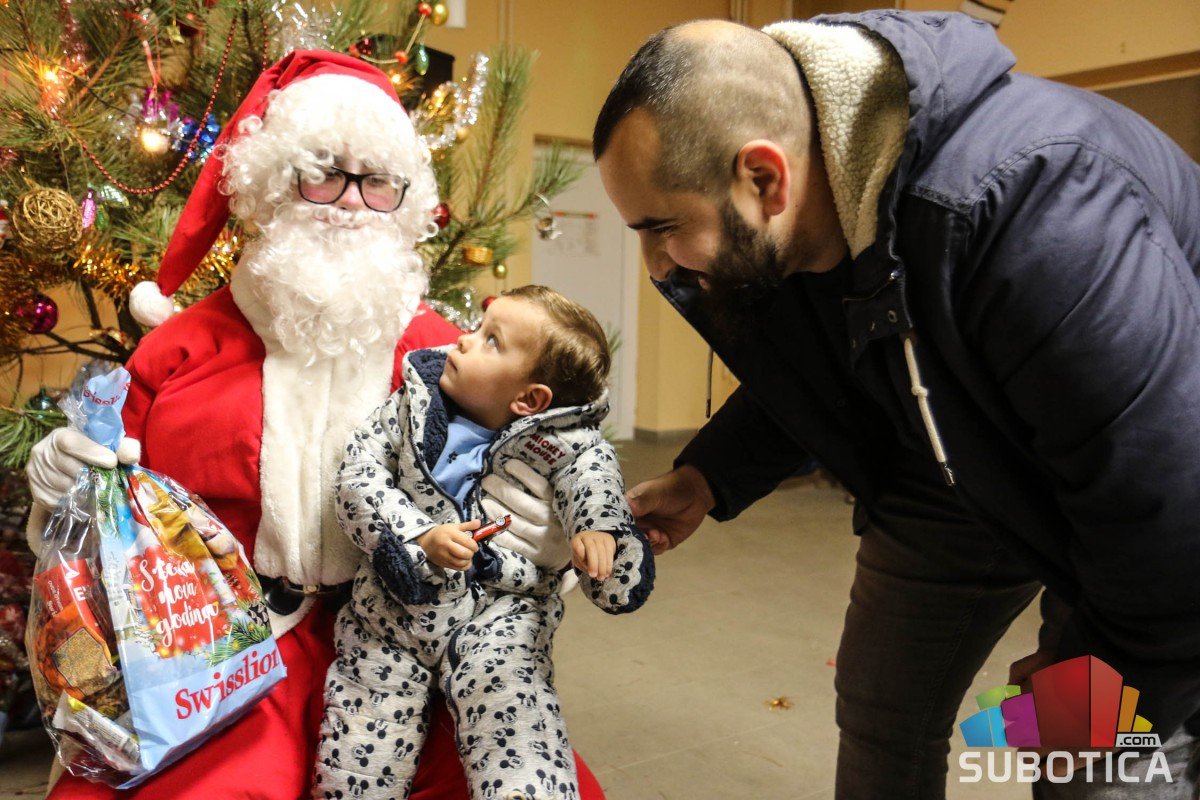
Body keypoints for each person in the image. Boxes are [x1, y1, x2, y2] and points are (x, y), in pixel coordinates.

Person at [593, 12, 1200, 799]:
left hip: (1154, 517)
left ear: (764, 178)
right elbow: (825, 374)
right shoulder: (803, 218)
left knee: (1092, 764)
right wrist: (708, 475)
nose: (655, 264)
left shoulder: (1041, 206)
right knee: (882, 711)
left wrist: (1098, 671)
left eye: (663, 227)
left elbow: (1168, 510)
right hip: (949, 459)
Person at [24, 51, 605, 799]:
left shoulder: (447, 356)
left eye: (378, 182)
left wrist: (547, 537)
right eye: (323, 173)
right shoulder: (180, 349)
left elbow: (539, 465)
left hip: (407, 647)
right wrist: (64, 490)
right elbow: (103, 521)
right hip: (222, 654)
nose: (350, 204)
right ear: (271, 184)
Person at [314, 285, 654, 799]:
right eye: (477, 327)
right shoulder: (411, 406)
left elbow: (594, 484)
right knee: (359, 740)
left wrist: (599, 532)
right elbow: (358, 477)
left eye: (491, 341)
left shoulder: (569, 446)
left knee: (518, 723)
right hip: (394, 613)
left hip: (502, 615)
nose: (463, 340)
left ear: (529, 400)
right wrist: (419, 535)